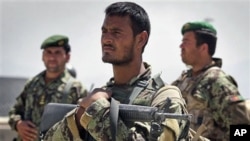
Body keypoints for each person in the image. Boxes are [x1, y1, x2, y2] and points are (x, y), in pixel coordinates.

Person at [43, 2, 190, 141]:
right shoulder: (101, 95)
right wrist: (78, 117)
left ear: (140, 39)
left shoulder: (165, 97)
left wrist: (97, 110)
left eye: (116, 32)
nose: (106, 39)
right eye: (104, 31)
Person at [171, 21, 246, 140]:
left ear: (203, 48)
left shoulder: (217, 82)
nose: (181, 46)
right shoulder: (183, 81)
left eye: (186, 42)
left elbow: (243, 127)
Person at [8, 34, 88, 141]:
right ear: (42, 56)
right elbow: (14, 111)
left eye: (57, 52)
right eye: (48, 52)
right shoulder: (32, 84)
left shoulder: (76, 88)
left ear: (67, 57)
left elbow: (85, 124)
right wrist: (18, 124)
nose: (52, 57)